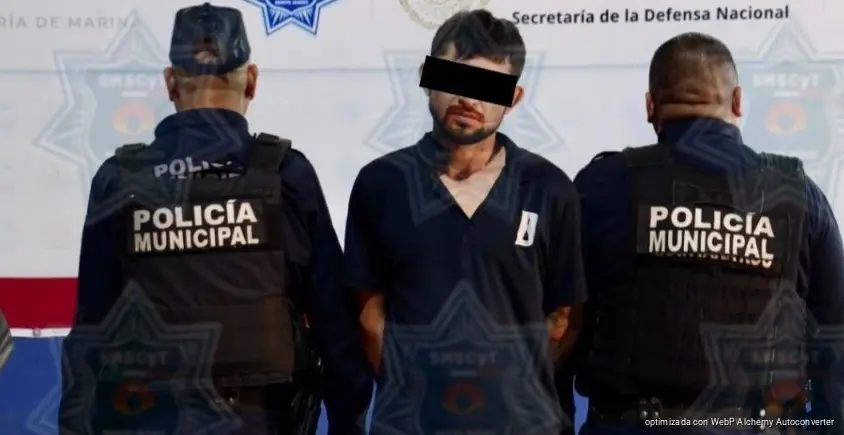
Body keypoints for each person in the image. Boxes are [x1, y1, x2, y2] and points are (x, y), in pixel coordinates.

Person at [59, 3, 371, 435]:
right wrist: (348, 424)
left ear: (171, 82)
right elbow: (334, 327)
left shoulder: (119, 179)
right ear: (252, 80)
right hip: (261, 420)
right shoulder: (286, 174)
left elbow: (89, 335)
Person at [573, 32, 844, 434]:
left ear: (650, 106)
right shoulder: (799, 195)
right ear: (738, 101)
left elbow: (560, 319)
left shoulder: (601, 185)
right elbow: (834, 336)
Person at [343, 9, 585, 435]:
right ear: (425, 75)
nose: (469, 99)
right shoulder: (381, 184)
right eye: (455, 78)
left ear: (514, 98)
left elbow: (564, 317)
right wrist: (412, 394)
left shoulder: (549, 188)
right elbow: (368, 312)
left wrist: (513, 393)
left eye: (488, 87)